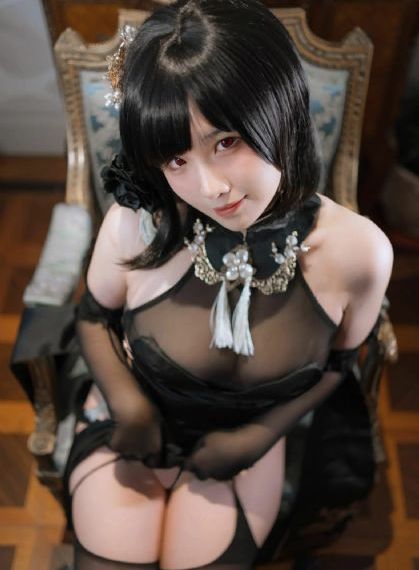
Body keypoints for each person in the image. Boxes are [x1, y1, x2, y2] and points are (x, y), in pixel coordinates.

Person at [63, 1, 394, 568]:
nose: (210, 187)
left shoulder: (360, 252)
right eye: (176, 160)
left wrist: (258, 436)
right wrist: (129, 406)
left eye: (226, 142)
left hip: (246, 444)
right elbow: (93, 315)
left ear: (281, 109)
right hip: (135, 424)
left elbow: (340, 363)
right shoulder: (136, 225)